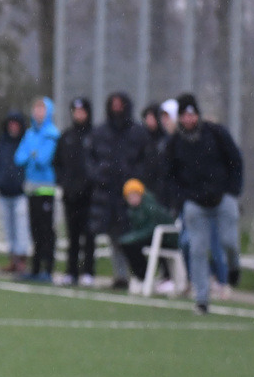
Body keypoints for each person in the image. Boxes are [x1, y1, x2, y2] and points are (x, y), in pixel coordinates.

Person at [162, 93, 244, 314]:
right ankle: (202, 298)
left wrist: (233, 191)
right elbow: (169, 176)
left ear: (197, 115)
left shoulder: (216, 133)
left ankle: (233, 267)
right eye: (184, 116)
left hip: (222, 196)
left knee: (229, 241)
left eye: (192, 115)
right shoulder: (175, 143)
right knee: (196, 248)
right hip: (194, 203)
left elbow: (235, 159)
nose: (188, 120)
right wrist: (181, 199)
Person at [84, 92, 148, 290]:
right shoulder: (100, 132)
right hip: (107, 195)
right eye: (114, 104)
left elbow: (146, 161)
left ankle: (141, 274)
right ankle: (121, 275)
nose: (117, 108)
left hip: (131, 196)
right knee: (114, 237)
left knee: (132, 236)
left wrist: (133, 181)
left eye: (120, 105)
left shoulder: (137, 133)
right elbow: (90, 158)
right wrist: (98, 175)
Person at [14, 97, 60, 282]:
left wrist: (31, 153)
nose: (38, 113)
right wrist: (33, 153)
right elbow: (19, 158)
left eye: (42, 109)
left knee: (46, 230)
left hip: (46, 190)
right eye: (36, 109)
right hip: (31, 189)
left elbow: (43, 159)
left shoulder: (51, 134)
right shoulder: (30, 133)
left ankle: (47, 270)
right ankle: (35, 269)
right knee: (34, 230)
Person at [53, 97, 96, 286]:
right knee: (73, 236)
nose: (79, 115)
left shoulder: (95, 136)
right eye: (75, 111)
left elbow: (98, 164)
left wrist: (89, 184)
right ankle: (71, 271)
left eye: (82, 111)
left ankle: (88, 271)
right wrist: (65, 184)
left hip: (90, 195)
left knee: (89, 236)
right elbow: (58, 164)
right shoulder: (66, 136)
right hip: (70, 196)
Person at [0, 111, 29, 274]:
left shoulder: (24, 143)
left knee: (21, 228)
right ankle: (13, 260)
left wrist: (22, 182)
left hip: (20, 193)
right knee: (8, 228)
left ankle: (22, 261)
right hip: (4, 193)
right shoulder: (1, 145)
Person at [118, 178, 177, 287]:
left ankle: (164, 277)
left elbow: (153, 228)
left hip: (167, 238)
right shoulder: (133, 210)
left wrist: (134, 237)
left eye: (134, 195)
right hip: (152, 237)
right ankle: (142, 276)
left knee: (136, 244)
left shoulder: (149, 206)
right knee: (129, 245)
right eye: (129, 196)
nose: (132, 199)